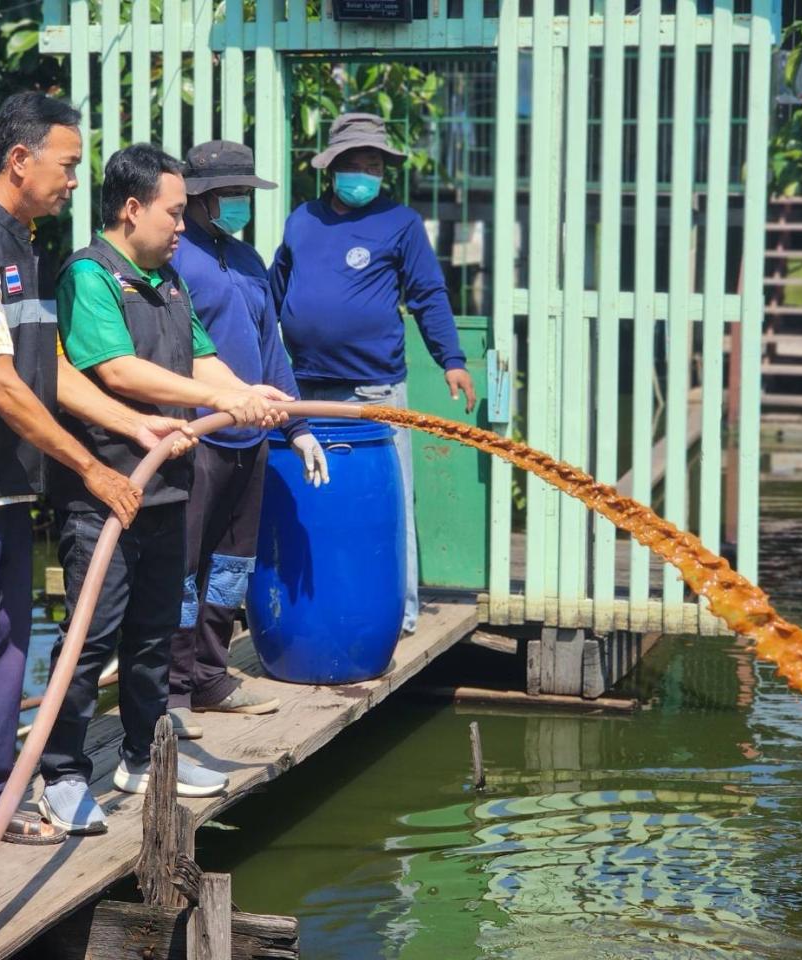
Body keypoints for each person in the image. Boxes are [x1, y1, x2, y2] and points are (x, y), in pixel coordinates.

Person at [0, 92, 189, 885]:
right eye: (65, 166)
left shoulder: (26, 249)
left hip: (5, 496)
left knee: (0, 659)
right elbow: (0, 386)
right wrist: (92, 469)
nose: (71, 182)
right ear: (19, 160)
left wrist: (135, 427)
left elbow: (46, 371)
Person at [40, 144, 291, 835]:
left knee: (154, 633)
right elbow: (116, 370)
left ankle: (146, 756)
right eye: (174, 212)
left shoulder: (168, 280)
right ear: (132, 209)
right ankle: (60, 773)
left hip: (169, 488)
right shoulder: (90, 277)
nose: (183, 226)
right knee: (93, 638)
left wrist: (250, 395)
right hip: (107, 494)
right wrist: (220, 404)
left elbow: (205, 359)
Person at [268, 112, 477, 635]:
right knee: (312, 499)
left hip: (373, 387)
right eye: (354, 163)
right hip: (305, 387)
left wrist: (450, 359)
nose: (365, 172)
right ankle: (322, 598)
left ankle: (398, 612)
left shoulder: (400, 223)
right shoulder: (302, 219)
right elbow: (274, 288)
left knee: (387, 501)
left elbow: (427, 294)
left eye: (374, 165)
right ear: (331, 168)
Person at [165, 141, 328, 739]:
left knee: (231, 567)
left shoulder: (248, 259)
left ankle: (211, 674)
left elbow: (271, 351)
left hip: (250, 439)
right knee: (183, 569)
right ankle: (173, 691)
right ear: (203, 198)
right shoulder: (176, 259)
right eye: (233, 195)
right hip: (198, 435)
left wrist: (298, 427)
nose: (241, 204)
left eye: (244, 194)